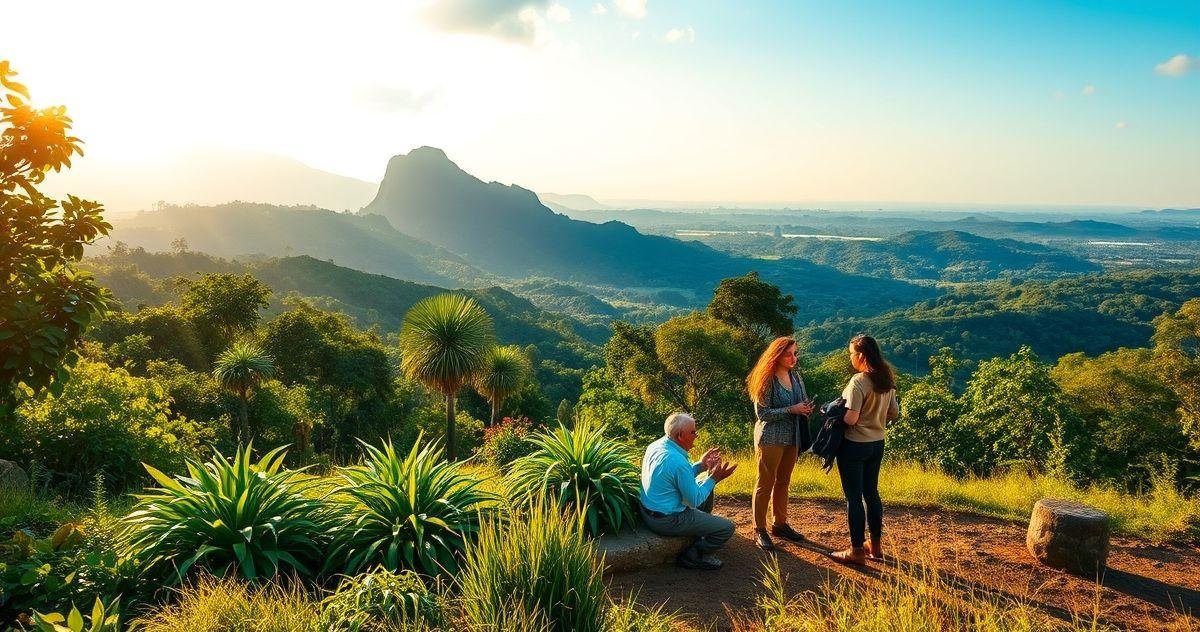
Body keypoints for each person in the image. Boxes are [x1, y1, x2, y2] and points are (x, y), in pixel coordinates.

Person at [829, 334, 899, 565]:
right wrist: (875, 418)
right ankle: (876, 547)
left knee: (853, 498)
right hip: (877, 443)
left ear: (860, 355)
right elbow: (893, 413)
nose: (850, 358)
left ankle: (857, 550)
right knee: (872, 494)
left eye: (851, 354)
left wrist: (835, 414)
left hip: (854, 444)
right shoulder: (885, 379)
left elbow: (851, 418)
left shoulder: (858, 382)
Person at [639, 412, 738, 570]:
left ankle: (701, 527)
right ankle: (693, 555)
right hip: (667, 520)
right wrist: (714, 478)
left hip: (649, 511)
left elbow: (674, 477)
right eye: (693, 432)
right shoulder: (678, 462)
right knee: (726, 528)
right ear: (679, 436)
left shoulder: (657, 446)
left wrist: (700, 465)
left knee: (703, 484)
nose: (696, 435)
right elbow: (695, 500)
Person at [747, 336, 814, 551]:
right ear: (776, 355)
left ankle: (780, 524)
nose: (794, 358)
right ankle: (759, 529)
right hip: (770, 438)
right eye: (789, 354)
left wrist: (805, 408)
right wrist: (791, 410)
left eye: (795, 353)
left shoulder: (796, 377)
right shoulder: (766, 379)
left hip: (792, 437)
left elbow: (800, 402)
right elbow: (762, 413)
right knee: (765, 483)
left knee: (784, 481)